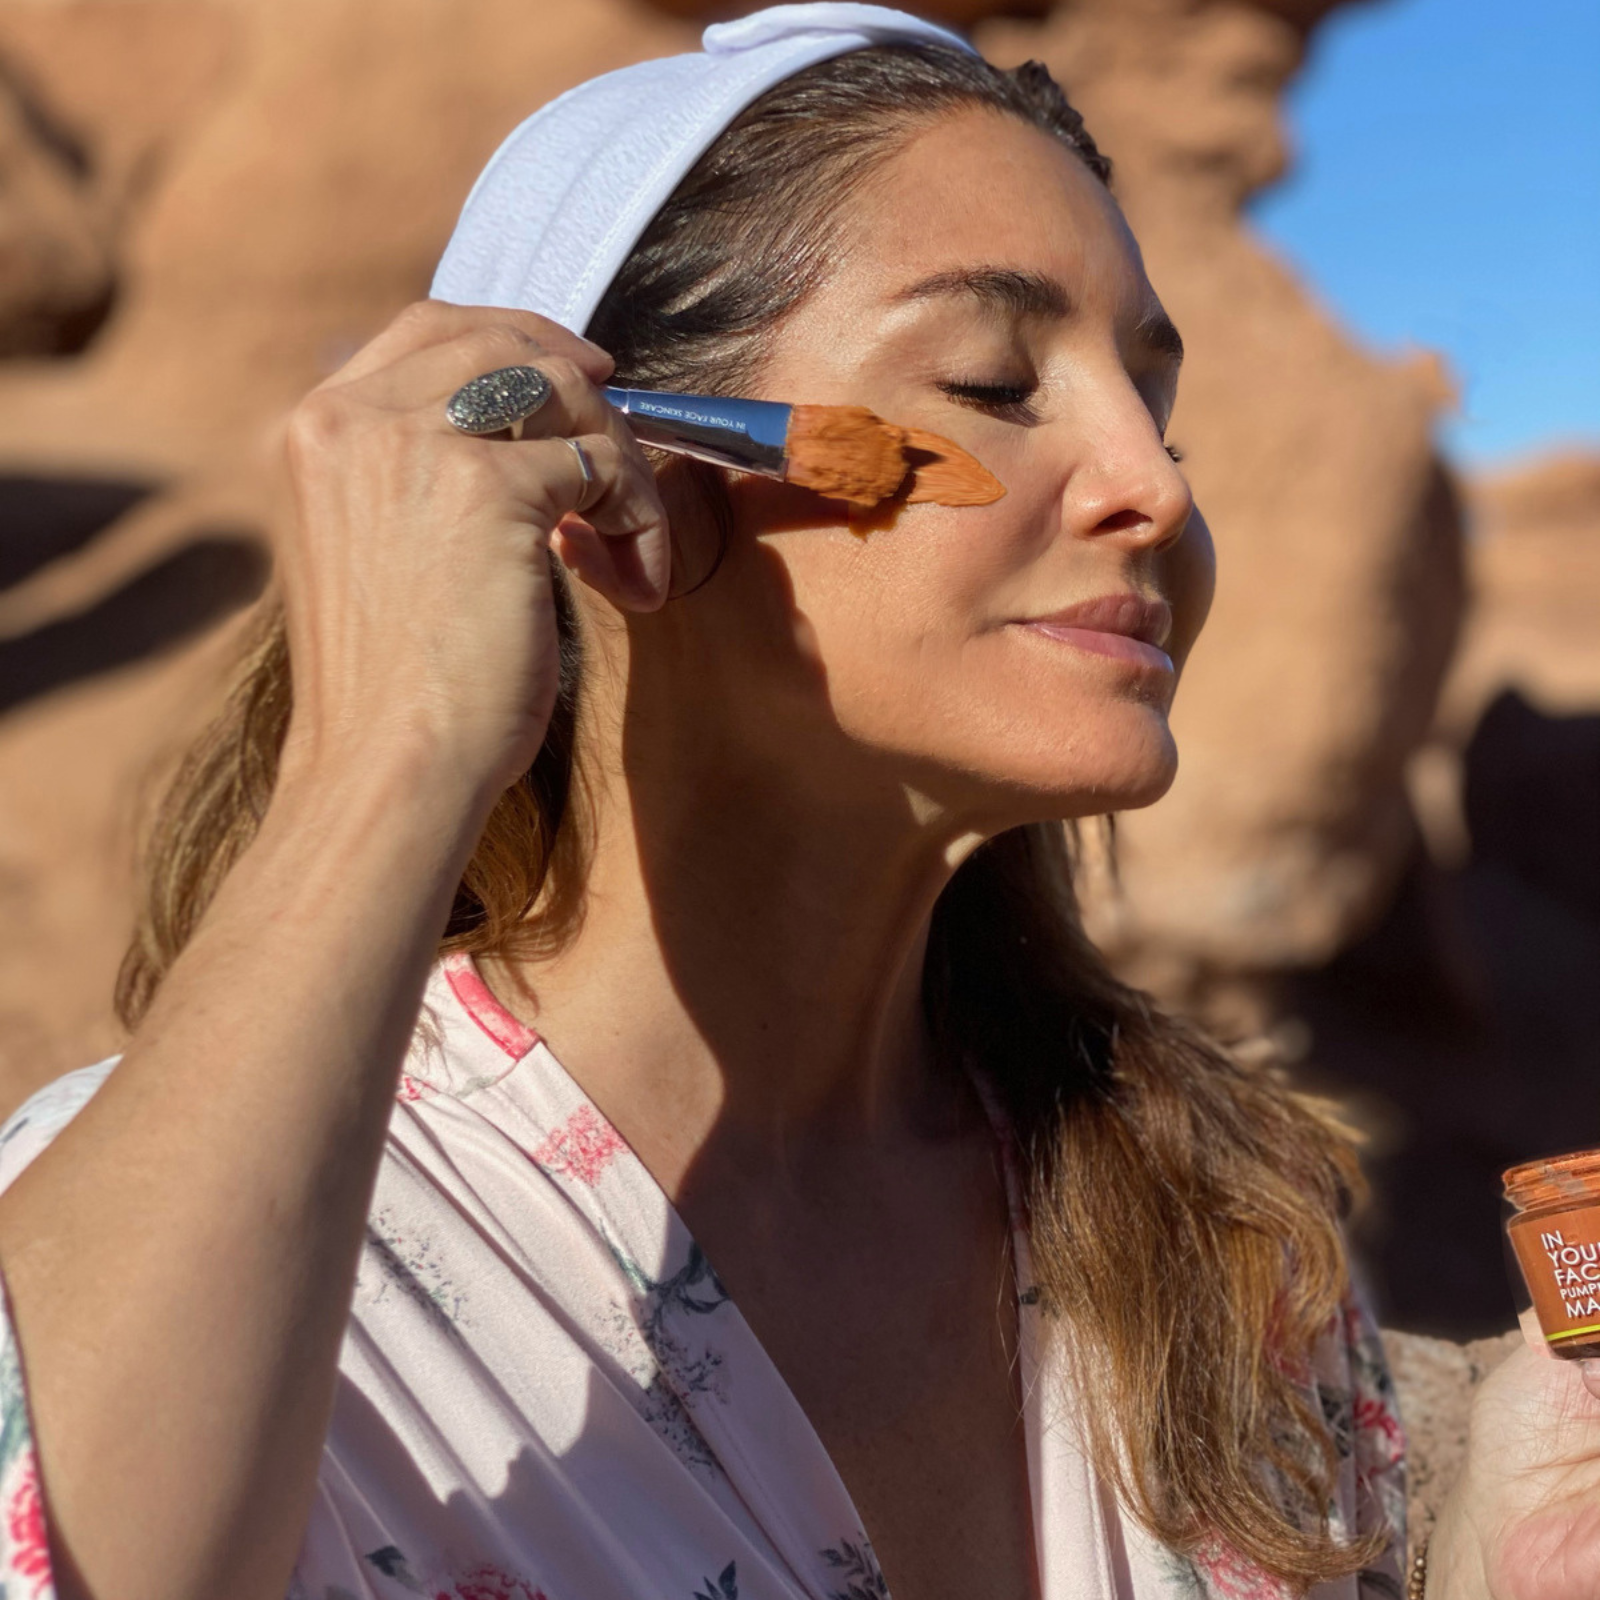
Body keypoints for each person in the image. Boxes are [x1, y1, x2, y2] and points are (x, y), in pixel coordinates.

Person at [0, 7, 1591, 1599]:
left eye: (1156, 410)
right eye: (990, 380)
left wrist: (1508, 1552)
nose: (1158, 487)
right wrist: (391, 747)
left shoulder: (1209, 1222)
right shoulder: (226, 1231)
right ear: (611, 495)